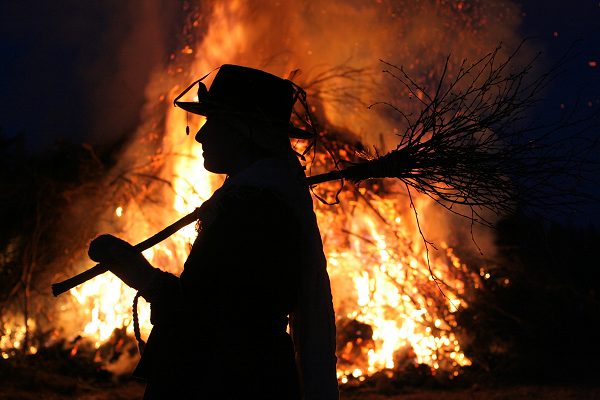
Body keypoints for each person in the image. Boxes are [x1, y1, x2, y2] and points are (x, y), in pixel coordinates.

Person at [88, 64, 339, 399]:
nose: (202, 135)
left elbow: (216, 320)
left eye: (213, 122)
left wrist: (142, 276)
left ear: (242, 130)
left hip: (229, 383)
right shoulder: (254, 199)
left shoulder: (254, 210)